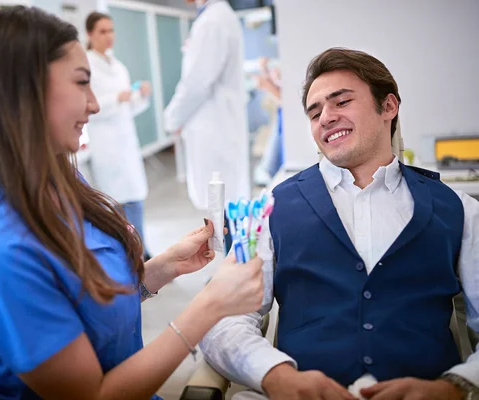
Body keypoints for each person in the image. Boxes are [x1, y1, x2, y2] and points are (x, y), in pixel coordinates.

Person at [0, 6, 264, 400]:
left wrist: (163, 267)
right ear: (25, 91)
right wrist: (207, 308)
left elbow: (87, 307)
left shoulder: (60, 180)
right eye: (81, 83)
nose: (95, 104)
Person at [200, 48, 479, 400]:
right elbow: (221, 315)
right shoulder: (271, 207)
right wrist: (275, 375)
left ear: (388, 107)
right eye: (314, 112)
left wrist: (453, 387)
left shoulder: (458, 209)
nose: (325, 118)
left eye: (341, 102)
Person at [164, 0, 251, 211]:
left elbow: (196, 82)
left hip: (215, 130)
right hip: (221, 127)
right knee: (224, 206)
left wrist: (172, 117)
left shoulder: (212, 21)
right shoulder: (217, 17)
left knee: (219, 210)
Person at [84, 12, 153, 260]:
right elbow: (86, 106)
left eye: (111, 30)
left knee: (135, 197)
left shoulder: (118, 66)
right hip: (106, 146)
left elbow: (129, 107)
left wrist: (140, 95)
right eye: (102, 31)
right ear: (90, 34)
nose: (109, 36)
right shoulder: (88, 66)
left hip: (126, 143)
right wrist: (116, 98)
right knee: (116, 204)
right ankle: (128, 255)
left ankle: (142, 250)